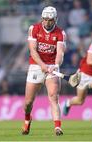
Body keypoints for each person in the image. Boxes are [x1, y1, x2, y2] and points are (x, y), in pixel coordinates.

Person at [21, 6, 66, 136]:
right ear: (42, 18)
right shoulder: (33, 29)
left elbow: (60, 53)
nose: (47, 22)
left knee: (53, 96)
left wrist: (56, 65)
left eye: (50, 20)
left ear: (55, 19)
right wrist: (42, 65)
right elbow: (33, 51)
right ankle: (27, 119)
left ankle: (57, 127)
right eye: (45, 19)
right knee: (28, 102)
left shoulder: (60, 33)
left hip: (52, 67)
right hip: (36, 66)